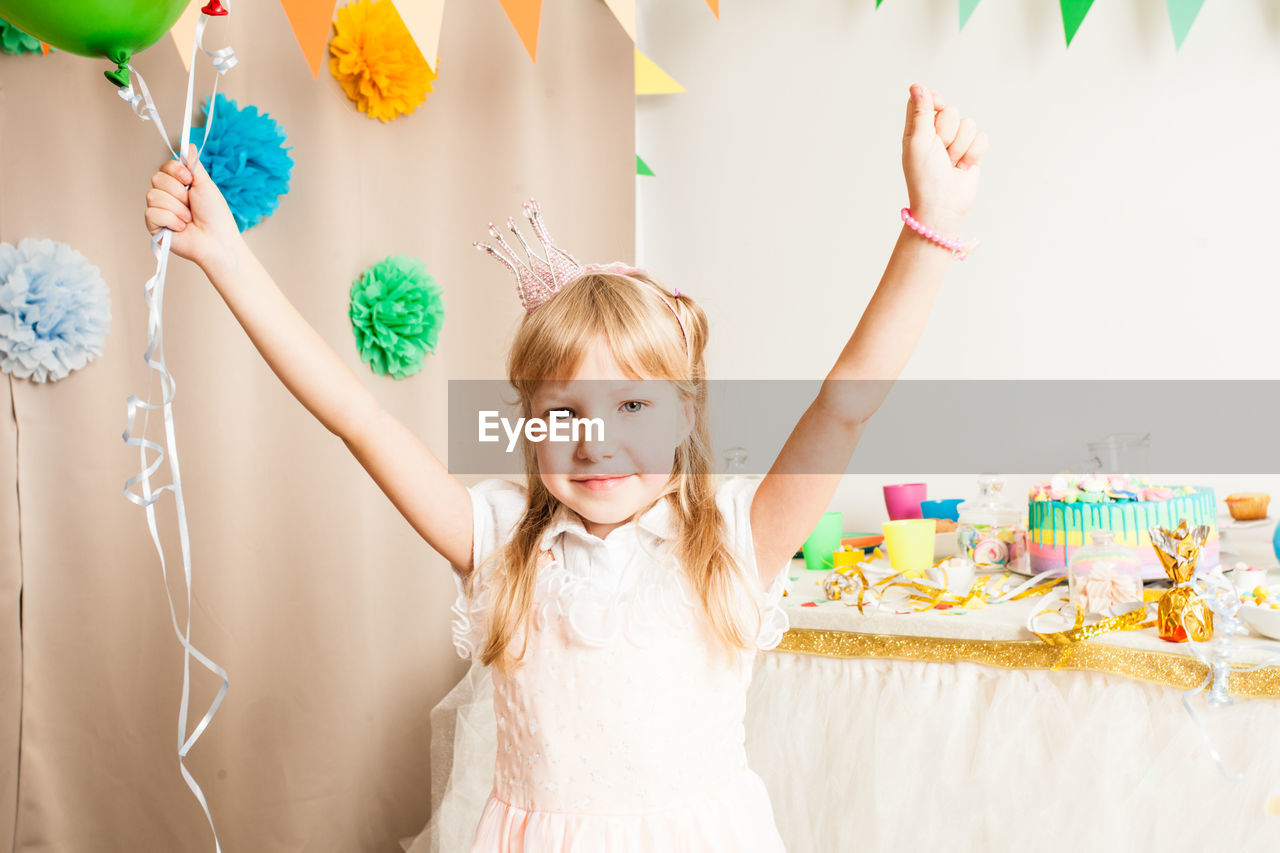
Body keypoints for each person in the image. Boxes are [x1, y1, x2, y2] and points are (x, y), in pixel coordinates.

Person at [144, 82, 987, 851]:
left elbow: (844, 405)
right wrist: (226, 257)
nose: (594, 439)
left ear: (684, 414)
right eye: (563, 412)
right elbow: (357, 420)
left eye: (631, 406)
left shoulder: (736, 538)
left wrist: (929, 231)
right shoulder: (499, 541)